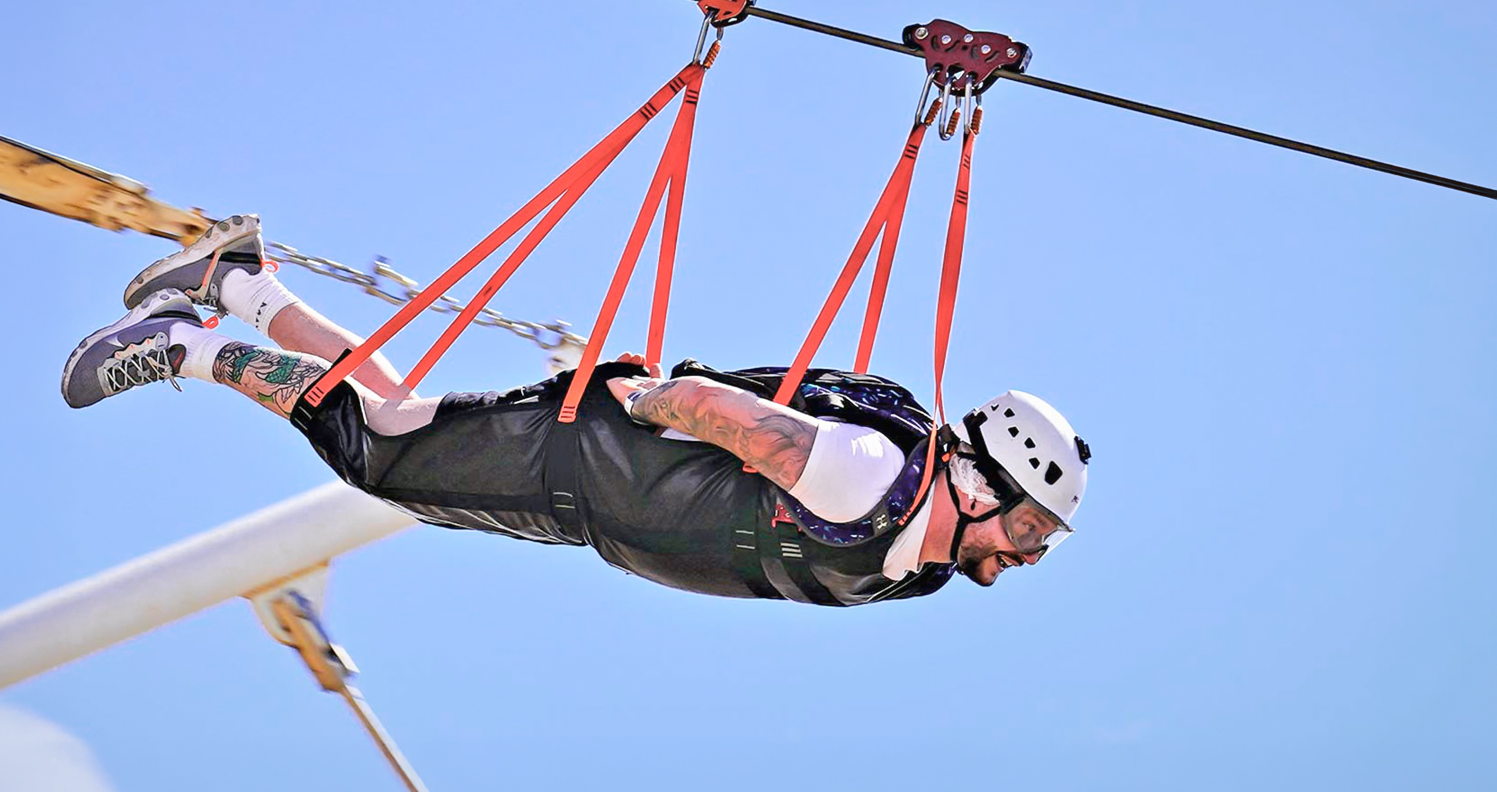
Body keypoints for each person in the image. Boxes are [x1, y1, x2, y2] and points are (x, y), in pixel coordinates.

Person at [63, 215, 1091, 606]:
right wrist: (634, 397)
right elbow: (720, 416)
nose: (1026, 554)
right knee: (376, 460)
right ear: (974, 475)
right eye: (1031, 525)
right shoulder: (873, 479)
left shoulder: (913, 556)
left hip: (585, 494)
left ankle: (239, 280)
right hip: (583, 460)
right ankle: (191, 344)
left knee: (394, 424)